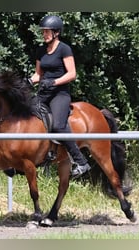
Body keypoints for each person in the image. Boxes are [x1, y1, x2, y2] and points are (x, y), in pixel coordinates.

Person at [27, 15, 91, 179]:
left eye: (47, 31)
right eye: (43, 32)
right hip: (43, 92)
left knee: (58, 126)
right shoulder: (41, 51)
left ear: (56, 32)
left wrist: (54, 82)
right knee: (29, 119)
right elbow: (38, 74)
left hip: (60, 94)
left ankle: (81, 162)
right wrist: (28, 81)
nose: (44, 34)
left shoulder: (64, 49)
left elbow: (72, 74)